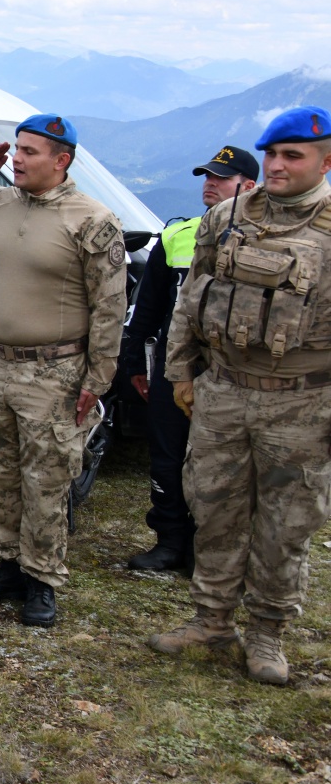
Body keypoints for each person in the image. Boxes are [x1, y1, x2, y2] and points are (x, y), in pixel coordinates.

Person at [148, 107, 331, 686]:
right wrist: (181, 373)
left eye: (292, 156)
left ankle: (268, 636)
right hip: (223, 391)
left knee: (285, 525)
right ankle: (211, 620)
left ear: (326, 162)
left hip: (301, 402)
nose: (277, 166)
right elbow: (189, 301)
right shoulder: (225, 219)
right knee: (216, 509)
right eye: (271, 154)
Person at [0, 115, 127, 628]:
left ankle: (42, 580)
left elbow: (109, 308)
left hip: (55, 371)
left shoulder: (91, 220)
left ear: (62, 161)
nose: (16, 158)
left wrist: (96, 381)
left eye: (30, 151)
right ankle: (9, 565)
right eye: (16, 148)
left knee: (46, 479)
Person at [119, 145, 257, 573]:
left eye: (221, 177)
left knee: (225, 464)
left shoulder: (266, 241)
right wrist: (135, 364)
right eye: (206, 176)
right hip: (174, 365)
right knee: (167, 454)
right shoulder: (179, 236)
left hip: (233, 373)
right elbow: (147, 309)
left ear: (249, 187)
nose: (209, 184)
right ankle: (170, 539)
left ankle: (213, 548)